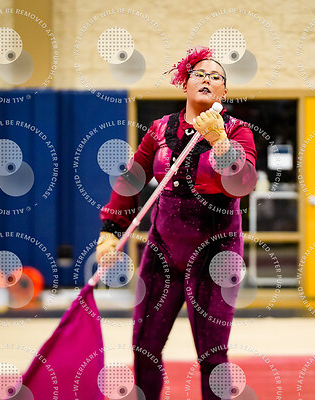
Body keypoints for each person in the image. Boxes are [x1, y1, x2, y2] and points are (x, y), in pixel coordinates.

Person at [95, 46, 257, 399]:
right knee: (144, 347)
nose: (207, 79)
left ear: (224, 91)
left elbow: (243, 184)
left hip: (216, 256)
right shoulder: (159, 129)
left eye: (216, 77)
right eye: (200, 74)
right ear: (185, 82)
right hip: (162, 252)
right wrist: (110, 231)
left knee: (213, 354)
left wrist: (220, 141)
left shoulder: (238, 131)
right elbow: (131, 179)